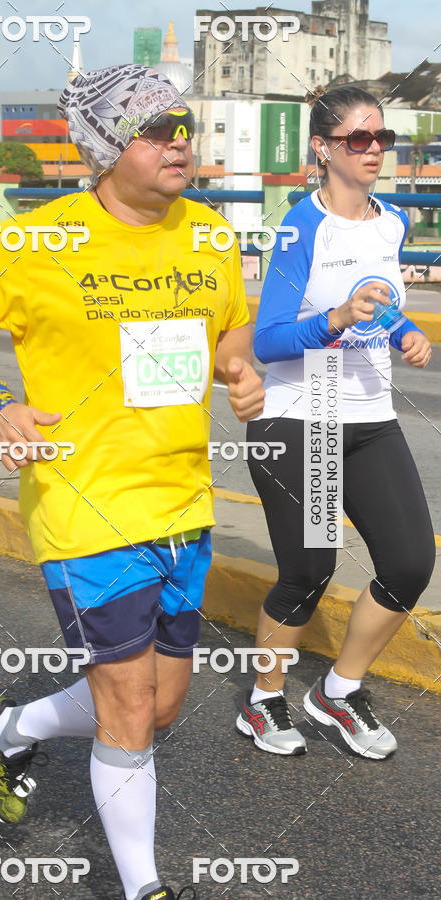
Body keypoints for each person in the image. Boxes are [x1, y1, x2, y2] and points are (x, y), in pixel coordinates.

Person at [0, 64, 264, 900]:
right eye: (154, 129)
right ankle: (144, 887)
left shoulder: (212, 237)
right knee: (125, 709)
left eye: (183, 125)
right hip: (82, 505)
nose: (178, 141)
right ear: (106, 147)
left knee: (159, 707)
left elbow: (229, 339)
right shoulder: (39, 241)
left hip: (183, 500)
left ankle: (4, 724)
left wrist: (240, 374)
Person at [235, 85, 435, 759]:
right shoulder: (301, 227)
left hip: (371, 417)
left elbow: (379, 302)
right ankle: (264, 702)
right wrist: (337, 320)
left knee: (410, 562)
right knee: (310, 568)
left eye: (383, 138)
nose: (375, 149)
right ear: (322, 149)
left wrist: (404, 330)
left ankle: (338, 692)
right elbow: (268, 341)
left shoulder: (392, 222)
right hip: (304, 415)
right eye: (359, 139)